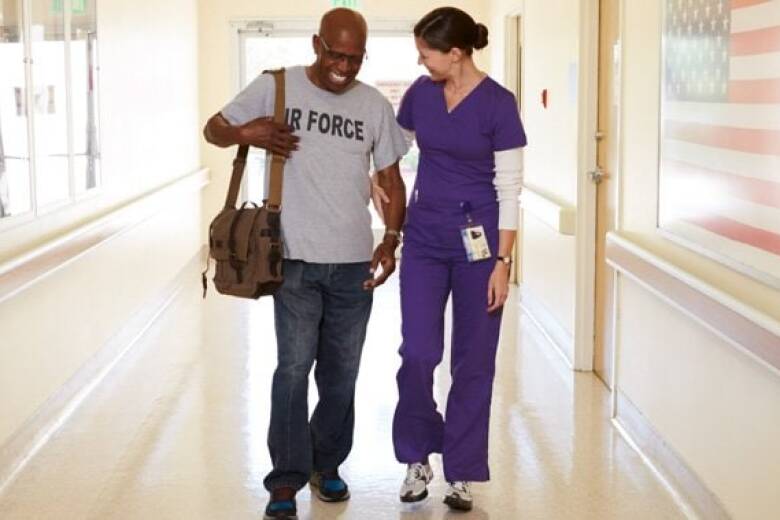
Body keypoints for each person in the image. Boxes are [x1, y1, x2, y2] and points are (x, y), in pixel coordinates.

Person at [203, 8, 408, 520]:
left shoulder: (374, 105)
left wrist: (392, 238)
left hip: (353, 260)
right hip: (290, 257)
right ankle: (285, 481)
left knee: (342, 373)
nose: (343, 66)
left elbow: (392, 178)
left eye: (354, 58)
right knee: (293, 369)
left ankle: (327, 464)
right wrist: (248, 133)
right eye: (335, 53)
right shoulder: (276, 87)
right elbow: (214, 130)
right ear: (317, 44)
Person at [391, 6, 527, 512]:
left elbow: (510, 189)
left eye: (427, 53)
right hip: (425, 238)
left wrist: (503, 263)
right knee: (419, 352)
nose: (420, 60)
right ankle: (417, 456)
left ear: (456, 53)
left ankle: (462, 470)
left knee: (474, 362)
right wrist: (374, 183)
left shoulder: (499, 104)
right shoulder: (420, 94)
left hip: (481, 249)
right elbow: (393, 146)